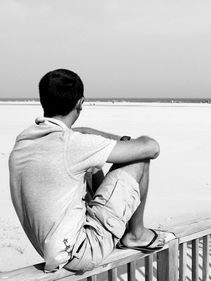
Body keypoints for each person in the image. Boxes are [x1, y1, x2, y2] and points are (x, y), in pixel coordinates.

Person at [8, 69, 175, 273]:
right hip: (80, 251)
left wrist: (86, 137)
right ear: (80, 103)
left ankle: (121, 228)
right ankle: (136, 234)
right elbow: (151, 147)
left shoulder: (23, 143)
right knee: (140, 159)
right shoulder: (71, 144)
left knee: (90, 167)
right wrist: (110, 137)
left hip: (50, 247)